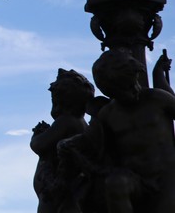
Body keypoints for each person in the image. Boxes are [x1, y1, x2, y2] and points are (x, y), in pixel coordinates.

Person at [92, 48, 175, 213]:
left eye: (134, 84)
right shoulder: (107, 115)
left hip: (167, 177)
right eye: (123, 90)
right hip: (136, 180)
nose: (134, 90)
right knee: (116, 183)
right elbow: (103, 151)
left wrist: (158, 74)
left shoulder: (156, 98)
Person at [30, 68, 95, 213]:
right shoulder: (80, 123)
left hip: (57, 189)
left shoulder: (67, 121)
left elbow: (39, 145)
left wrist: (37, 134)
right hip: (60, 188)